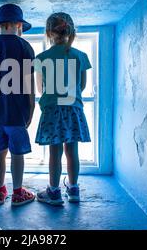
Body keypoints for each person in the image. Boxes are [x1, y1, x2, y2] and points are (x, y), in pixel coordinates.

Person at [34, 12, 91, 205]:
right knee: (72, 151)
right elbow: (82, 86)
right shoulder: (81, 56)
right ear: (71, 31)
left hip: (52, 110)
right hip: (73, 108)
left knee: (54, 153)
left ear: (49, 33)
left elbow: (40, 89)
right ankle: (74, 190)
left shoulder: (42, 57)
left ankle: (54, 192)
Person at [0, 4, 36, 206]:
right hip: (16, 114)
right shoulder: (25, 46)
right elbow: (30, 83)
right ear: (19, 25)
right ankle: (18, 193)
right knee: (17, 154)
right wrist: (31, 109)